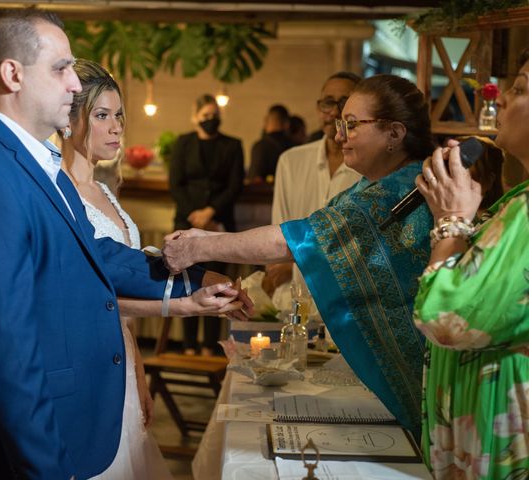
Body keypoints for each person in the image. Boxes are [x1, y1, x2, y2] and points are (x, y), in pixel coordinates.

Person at [0, 11, 250, 480]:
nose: (75, 84)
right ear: (12, 74)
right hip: (20, 448)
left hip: (77, 415)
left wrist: (194, 279)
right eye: (61, 68)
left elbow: (96, 254)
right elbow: (3, 352)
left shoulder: (34, 160)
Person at [163, 74, 437, 437]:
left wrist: (201, 245)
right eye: (341, 123)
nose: (340, 136)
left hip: (421, 369)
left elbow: (299, 239)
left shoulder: (399, 191)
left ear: (395, 134)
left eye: (352, 125)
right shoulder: (376, 186)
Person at [60, 59, 245, 479]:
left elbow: (127, 283)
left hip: (122, 354)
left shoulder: (104, 189)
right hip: (85, 357)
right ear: (69, 121)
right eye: (102, 116)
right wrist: (184, 303)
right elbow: (95, 291)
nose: (116, 127)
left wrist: (139, 371)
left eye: (119, 116)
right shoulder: (60, 192)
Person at [413, 51, 529, 479]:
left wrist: (451, 222)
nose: (498, 101)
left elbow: (447, 318)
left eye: (518, 89)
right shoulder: (516, 203)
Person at [264, 72, 362, 300]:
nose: (335, 112)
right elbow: (280, 232)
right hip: (293, 300)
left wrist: (296, 268)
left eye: (344, 103)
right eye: (328, 103)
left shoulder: (368, 168)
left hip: (347, 302)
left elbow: (358, 248)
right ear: (319, 108)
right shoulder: (291, 161)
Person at [169, 94, 245, 356]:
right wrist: (196, 214)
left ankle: (210, 346)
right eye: (206, 116)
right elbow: (176, 184)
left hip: (219, 222)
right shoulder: (183, 144)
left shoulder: (232, 145)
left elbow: (235, 185)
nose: (211, 120)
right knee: (188, 283)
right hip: (187, 221)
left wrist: (211, 212)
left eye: (215, 115)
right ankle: (189, 345)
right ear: (195, 117)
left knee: (217, 284)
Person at [247, 104, 293, 182]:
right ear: (287, 124)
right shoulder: (293, 146)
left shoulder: (260, 146)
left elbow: (255, 178)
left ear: (266, 120)